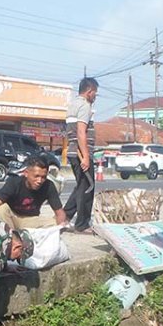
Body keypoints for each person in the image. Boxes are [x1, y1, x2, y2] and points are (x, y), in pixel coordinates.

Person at [0, 155, 67, 229]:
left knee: (56, 223)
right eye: (36, 176)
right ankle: (9, 237)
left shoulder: (49, 186)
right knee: (0, 208)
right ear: (26, 173)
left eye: (43, 177)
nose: (40, 180)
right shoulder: (14, 183)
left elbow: (60, 213)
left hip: (30, 220)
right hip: (10, 219)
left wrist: (60, 226)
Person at [63, 77, 98, 234]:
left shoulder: (72, 104)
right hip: (81, 153)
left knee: (81, 186)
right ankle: (82, 224)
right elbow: (81, 132)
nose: (95, 96)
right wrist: (85, 156)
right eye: (95, 93)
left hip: (72, 151)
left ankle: (64, 218)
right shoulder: (84, 106)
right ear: (89, 91)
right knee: (88, 188)